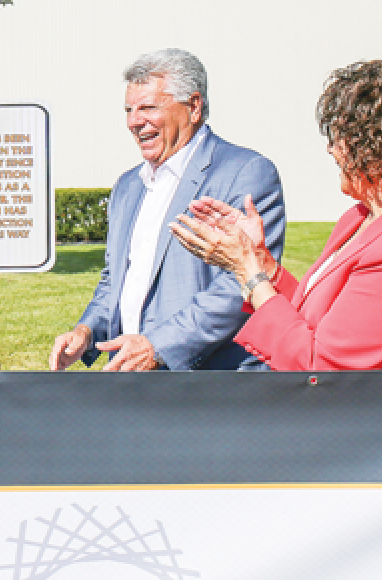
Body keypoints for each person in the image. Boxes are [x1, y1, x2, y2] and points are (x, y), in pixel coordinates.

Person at [173, 56, 382, 370]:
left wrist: (249, 274)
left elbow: (319, 366)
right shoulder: (363, 217)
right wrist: (259, 259)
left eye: (340, 138)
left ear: (380, 149)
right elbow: (315, 318)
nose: (331, 149)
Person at [49, 48, 286, 372]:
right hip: (132, 386)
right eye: (129, 110)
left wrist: (158, 347)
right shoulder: (128, 186)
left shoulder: (244, 173)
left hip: (209, 390)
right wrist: (86, 332)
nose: (134, 122)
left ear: (194, 107)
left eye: (147, 108)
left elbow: (240, 286)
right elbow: (115, 282)